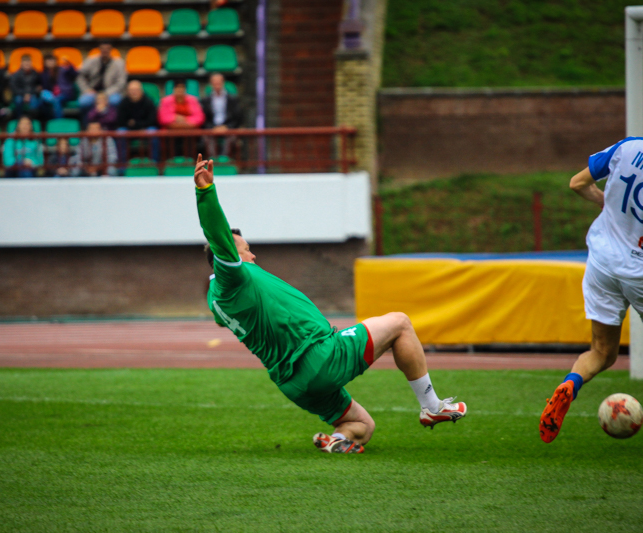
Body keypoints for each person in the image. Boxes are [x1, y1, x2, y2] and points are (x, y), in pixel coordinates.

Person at [193, 154, 467, 453]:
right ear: (227, 256)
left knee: (363, 426)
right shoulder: (232, 278)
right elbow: (217, 234)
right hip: (317, 356)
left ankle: (338, 440)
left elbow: (226, 306)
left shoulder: (215, 299)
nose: (253, 255)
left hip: (293, 384)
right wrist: (205, 192)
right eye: (246, 250)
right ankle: (432, 406)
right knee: (400, 323)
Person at [540, 90, 643, 452]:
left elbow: (577, 183)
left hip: (603, 261)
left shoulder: (629, 147)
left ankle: (571, 383)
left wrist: (608, 204)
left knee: (602, 351)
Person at [200, 73, 242, 157]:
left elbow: (237, 117)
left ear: (223, 82)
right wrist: (213, 127)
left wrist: (227, 127)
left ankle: (224, 159)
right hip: (211, 128)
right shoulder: (205, 100)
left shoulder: (232, 99)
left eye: (219, 82)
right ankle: (213, 159)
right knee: (206, 138)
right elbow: (204, 117)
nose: (217, 84)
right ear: (211, 84)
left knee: (231, 138)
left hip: (228, 128)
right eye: (215, 82)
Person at [159, 79, 204, 157]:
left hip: (190, 131)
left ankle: (190, 160)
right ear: (173, 89)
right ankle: (171, 161)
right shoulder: (165, 101)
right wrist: (175, 118)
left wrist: (185, 120)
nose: (180, 90)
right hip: (171, 133)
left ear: (185, 89)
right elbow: (163, 118)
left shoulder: (193, 100)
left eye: (182, 88)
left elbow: (200, 117)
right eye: (177, 88)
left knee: (192, 139)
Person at [76, 43, 126, 112]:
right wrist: (86, 89)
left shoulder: (119, 63)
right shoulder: (90, 61)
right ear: (99, 49)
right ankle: (87, 119)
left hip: (111, 92)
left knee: (115, 101)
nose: (105, 50)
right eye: (103, 48)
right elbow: (79, 76)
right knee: (84, 102)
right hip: (92, 92)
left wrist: (105, 93)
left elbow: (121, 83)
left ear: (111, 50)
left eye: (107, 48)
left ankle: (112, 119)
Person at [116, 80, 158, 162]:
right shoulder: (123, 103)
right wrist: (134, 126)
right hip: (129, 130)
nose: (134, 92)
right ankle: (122, 165)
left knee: (153, 131)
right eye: (131, 90)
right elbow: (120, 121)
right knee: (120, 132)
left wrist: (135, 124)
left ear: (141, 91)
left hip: (145, 129)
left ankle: (155, 163)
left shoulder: (149, 102)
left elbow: (152, 121)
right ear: (127, 91)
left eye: (136, 90)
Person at [40, 53, 78, 120]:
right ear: (44, 63)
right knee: (43, 101)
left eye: (52, 60)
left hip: (66, 93)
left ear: (56, 61)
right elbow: (46, 87)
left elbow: (74, 74)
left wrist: (69, 65)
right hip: (52, 95)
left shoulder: (62, 69)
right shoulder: (44, 74)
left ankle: (58, 122)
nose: (50, 63)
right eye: (48, 61)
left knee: (56, 100)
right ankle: (47, 123)